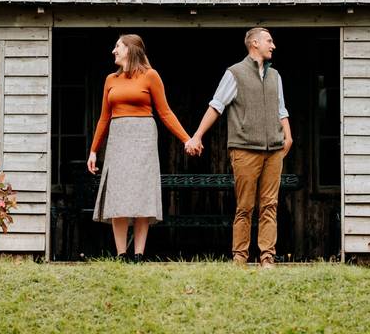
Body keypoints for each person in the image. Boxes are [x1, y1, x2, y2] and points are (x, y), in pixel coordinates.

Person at [185, 27, 292, 269]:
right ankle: (240, 259)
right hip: (245, 149)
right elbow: (216, 105)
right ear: (254, 43)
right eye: (269, 41)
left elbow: (281, 109)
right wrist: (197, 136)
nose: (273, 45)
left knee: (270, 205)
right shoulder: (234, 73)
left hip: (274, 150)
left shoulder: (276, 76)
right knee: (245, 206)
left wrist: (288, 135)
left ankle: (267, 258)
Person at [87, 34, 191, 262]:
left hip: (143, 138)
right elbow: (104, 118)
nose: (113, 51)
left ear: (131, 49)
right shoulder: (110, 80)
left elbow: (165, 112)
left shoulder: (150, 76)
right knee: (118, 194)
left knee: (142, 194)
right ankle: (121, 253)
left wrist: (186, 139)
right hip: (118, 138)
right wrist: (94, 150)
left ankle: (139, 254)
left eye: (117, 47)